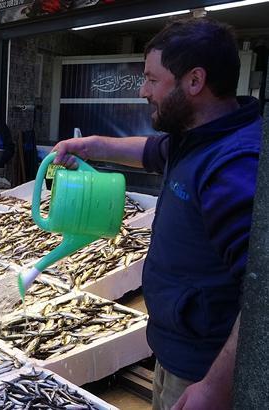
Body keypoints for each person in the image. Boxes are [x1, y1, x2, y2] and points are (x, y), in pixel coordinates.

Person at [51, 18, 259, 410]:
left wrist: (215, 388)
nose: (144, 91)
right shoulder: (195, 136)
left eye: (151, 79)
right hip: (175, 350)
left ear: (194, 81)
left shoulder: (234, 166)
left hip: (205, 368)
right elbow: (148, 152)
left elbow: (262, 297)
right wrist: (90, 145)